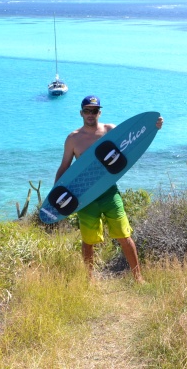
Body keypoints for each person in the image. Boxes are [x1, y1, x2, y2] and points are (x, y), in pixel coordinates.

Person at [54, 95, 163, 283]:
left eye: (94, 110)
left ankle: (138, 277)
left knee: (124, 234)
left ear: (99, 112)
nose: (90, 114)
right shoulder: (73, 139)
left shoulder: (110, 131)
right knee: (88, 241)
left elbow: (135, 139)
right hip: (85, 197)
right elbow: (65, 167)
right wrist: (55, 198)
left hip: (109, 192)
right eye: (87, 110)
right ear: (81, 113)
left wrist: (154, 126)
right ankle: (89, 279)